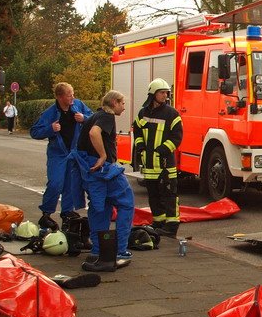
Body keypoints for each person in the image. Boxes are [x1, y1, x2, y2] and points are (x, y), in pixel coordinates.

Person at [73, 90, 134, 272]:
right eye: (122, 103)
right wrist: (103, 155)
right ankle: (120, 250)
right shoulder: (107, 117)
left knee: (100, 207)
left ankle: (99, 250)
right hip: (103, 170)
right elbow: (94, 133)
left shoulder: (93, 116)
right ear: (114, 102)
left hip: (90, 171)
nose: (124, 107)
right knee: (126, 202)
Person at [29, 82, 93, 231]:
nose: (73, 97)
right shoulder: (50, 113)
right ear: (59, 97)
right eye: (69, 94)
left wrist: (84, 118)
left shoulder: (78, 106)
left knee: (71, 185)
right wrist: (50, 129)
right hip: (58, 153)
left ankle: (67, 214)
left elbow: (94, 118)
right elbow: (34, 131)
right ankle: (46, 213)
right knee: (55, 183)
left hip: (74, 152)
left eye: (73, 93)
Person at [132, 78, 183, 237]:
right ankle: (158, 222)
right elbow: (138, 130)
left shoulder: (172, 113)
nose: (165, 95)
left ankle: (172, 226)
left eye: (166, 93)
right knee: (153, 195)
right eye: (162, 92)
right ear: (153, 94)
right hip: (149, 164)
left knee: (169, 195)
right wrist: (140, 146)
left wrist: (162, 150)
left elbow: (177, 137)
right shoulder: (143, 112)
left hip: (165, 164)